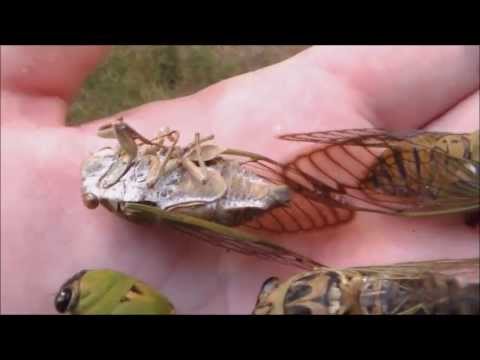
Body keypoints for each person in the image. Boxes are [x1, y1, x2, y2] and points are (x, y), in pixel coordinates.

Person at [1, 45, 478, 314]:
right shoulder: (132, 204)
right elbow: (165, 193)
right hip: (198, 202)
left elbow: (175, 156)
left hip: (210, 175)